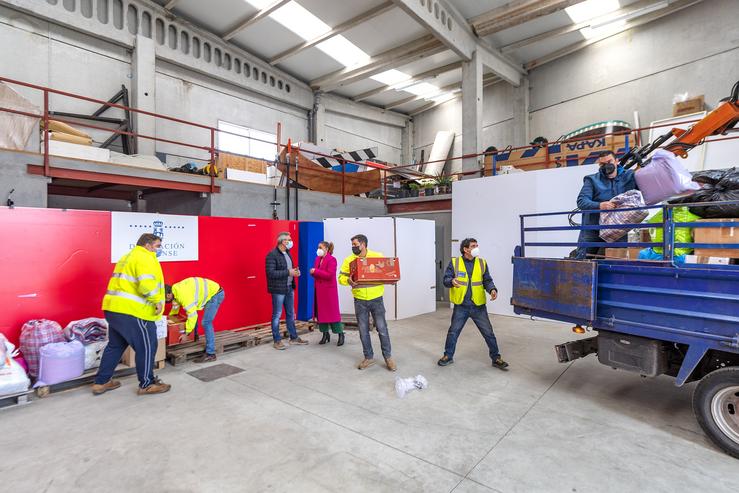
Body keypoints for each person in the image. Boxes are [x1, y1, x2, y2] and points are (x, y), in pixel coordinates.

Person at [92, 233, 171, 396]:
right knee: (147, 346)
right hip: (134, 312)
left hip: (113, 309)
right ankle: (147, 384)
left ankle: (101, 382)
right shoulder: (145, 257)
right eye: (157, 246)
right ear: (147, 245)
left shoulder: (127, 257)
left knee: (115, 345)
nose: (158, 250)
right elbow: (146, 283)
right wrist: (157, 300)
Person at [438, 238, 509, 370]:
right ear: (466, 249)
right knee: (453, 332)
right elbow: (446, 280)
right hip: (461, 306)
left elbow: (487, 280)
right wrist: (451, 281)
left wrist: (492, 289)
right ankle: (448, 356)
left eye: (477, 245)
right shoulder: (455, 262)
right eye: (473, 246)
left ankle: (496, 358)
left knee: (489, 333)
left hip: (478, 307)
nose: (477, 248)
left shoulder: (482, 263)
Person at [338, 234, 396, 371]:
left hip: (376, 299)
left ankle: (388, 357)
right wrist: (347, 281)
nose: (353, 247)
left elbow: (387, 271)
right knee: (363, 331)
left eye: (355, 245)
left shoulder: (377, 256)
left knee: (382, 329)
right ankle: (368, 357)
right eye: (352, 245)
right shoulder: (349, 260)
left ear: (363, 244)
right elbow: (340, 277)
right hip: (360, 300)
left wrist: (392, 278)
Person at [575, 150, 637, 260]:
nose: (607, 166)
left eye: (609, 161)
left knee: (616, 263)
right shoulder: (592, 180)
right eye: (602, 164)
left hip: (617, 230)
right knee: (583, 261)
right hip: (593, 229)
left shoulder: (630, 176)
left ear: (617, 161)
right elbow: (582, 201)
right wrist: (600, 205)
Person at [265, 232, 309, 350]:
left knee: (290, 313)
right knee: (277, 315)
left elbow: (289, 270)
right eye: (289, 240)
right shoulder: (272, 255)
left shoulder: (288, 253)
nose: (291, 241)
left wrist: (295, 272)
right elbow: (271, 273)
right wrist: (288, 272)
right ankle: (277, 340)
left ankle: (293, 337)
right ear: (283, 241)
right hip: (278, 289)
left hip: (289, 288)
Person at [165, 278, 225, 363]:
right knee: (192, 312)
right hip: (211, 290)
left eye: (165, 299)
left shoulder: (183, 296)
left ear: (168, 295)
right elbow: (175, 308)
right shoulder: (175, 290)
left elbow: (193, 316)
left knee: (206, 322)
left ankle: (210, 354)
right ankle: (194, 336)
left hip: (215, 294)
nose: (165, 301)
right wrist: (169, 320)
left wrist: (187, 333)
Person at [310, 241, 345, 346]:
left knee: (333, 314)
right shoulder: (317, 259)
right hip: (319, 290)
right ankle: (325, 334)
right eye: (318, 247)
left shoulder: (332, 260)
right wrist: (313, 273)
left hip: (329, 292)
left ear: (326, 248)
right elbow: (318, 274)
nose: (318, 249)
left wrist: (315, 271)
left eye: (320, 247)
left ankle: (340, 334)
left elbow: (329, 275)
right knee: (321, 314)